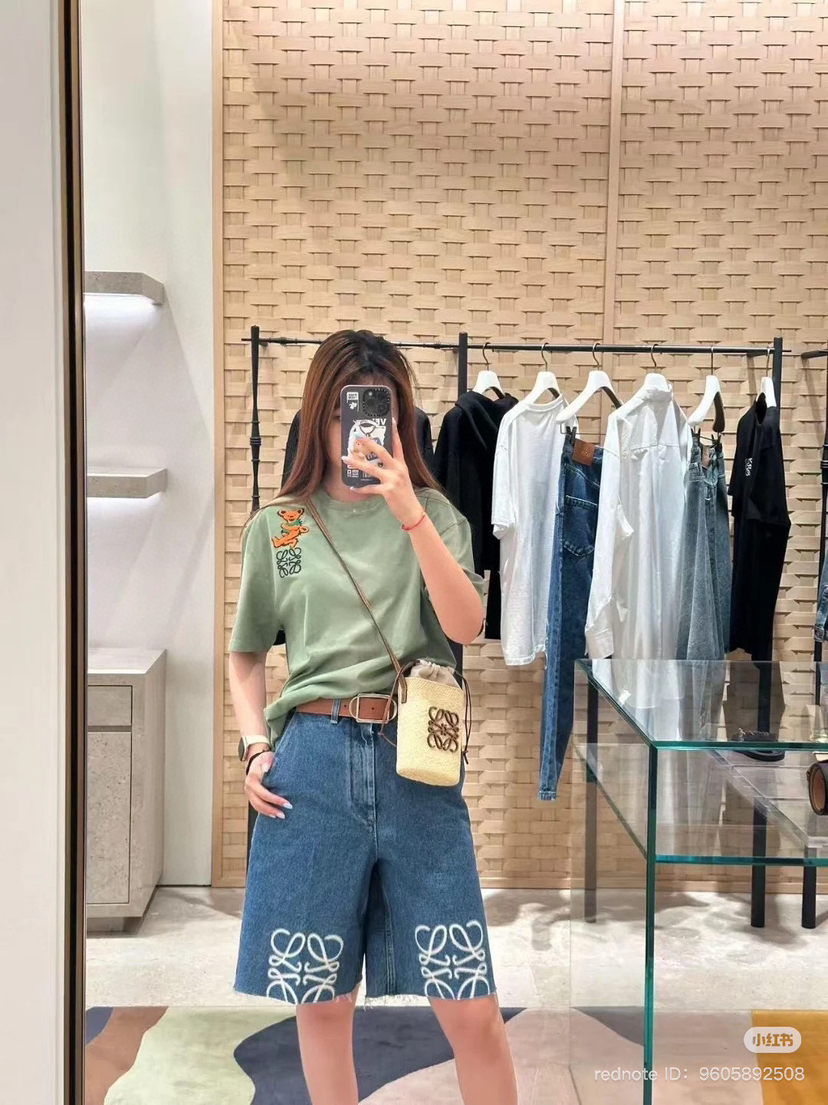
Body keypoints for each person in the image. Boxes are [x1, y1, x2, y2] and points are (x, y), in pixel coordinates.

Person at [227, 329, 518, 1105]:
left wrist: (409, 513)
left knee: (472, 1005)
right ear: (318, 415)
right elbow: (246, 652)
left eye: (378, 412)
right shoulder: (281, 528)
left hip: (413, 761)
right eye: (344, 412)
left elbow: (466, 625)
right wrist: (254, 747)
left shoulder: (435, 514)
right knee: (322, 1006)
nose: (358, 429)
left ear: (401, 419)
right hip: (311, 767)